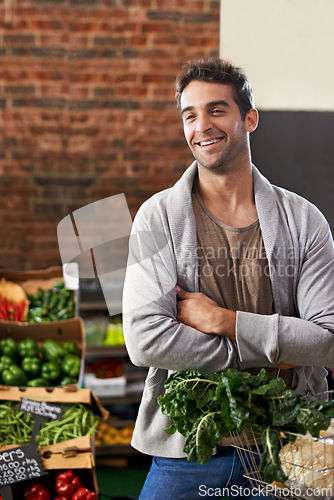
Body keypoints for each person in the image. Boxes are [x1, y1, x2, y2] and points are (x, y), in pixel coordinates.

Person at [122, 58, 334, 499]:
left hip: (291, 447)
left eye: (217, 110)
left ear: (248, 118)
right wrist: (272, 356)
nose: (203, 125)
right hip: (190, 451)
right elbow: (144, 341)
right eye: (190, 115)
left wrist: (225, 321)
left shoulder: (304, 220)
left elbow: (327, 340)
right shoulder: (156, 218)